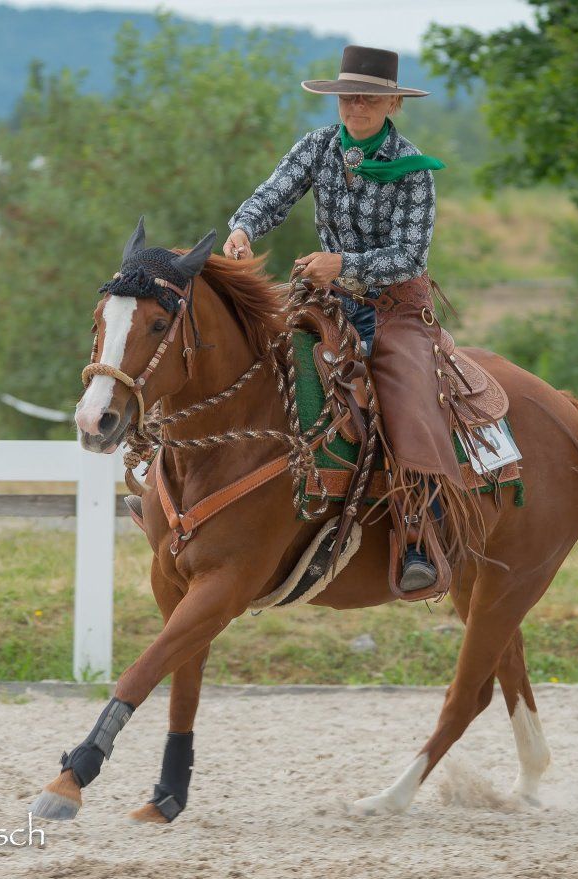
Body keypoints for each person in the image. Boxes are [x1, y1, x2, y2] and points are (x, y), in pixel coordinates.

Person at [224, 45, 471, 596]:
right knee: (244, 354)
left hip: (394, 307)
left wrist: (345, 264)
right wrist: (242, 229)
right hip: (326, 297)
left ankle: (420, 535)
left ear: (393, 105)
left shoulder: (414, 170)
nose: (355, 106)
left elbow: (410, 255)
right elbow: (272, 195)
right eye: (347, 96)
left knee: (409, 402)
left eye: (368, 98)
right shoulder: (317, 147)